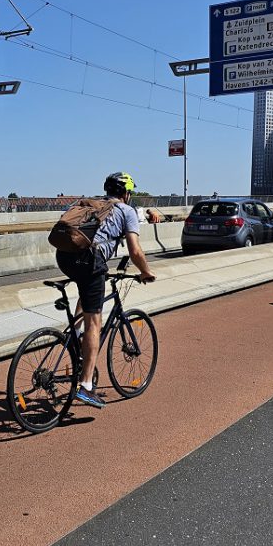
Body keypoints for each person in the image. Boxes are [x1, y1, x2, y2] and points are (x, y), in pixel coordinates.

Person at [55, 173, 155, 408]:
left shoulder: (91, 204)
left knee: (86, 291)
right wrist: (146, 272)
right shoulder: (126, 211)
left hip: (64, 256)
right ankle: (87, 386)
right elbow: (135, 251)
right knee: (95, 323)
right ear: (127, 193)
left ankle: (75, 335)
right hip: (90, 260)